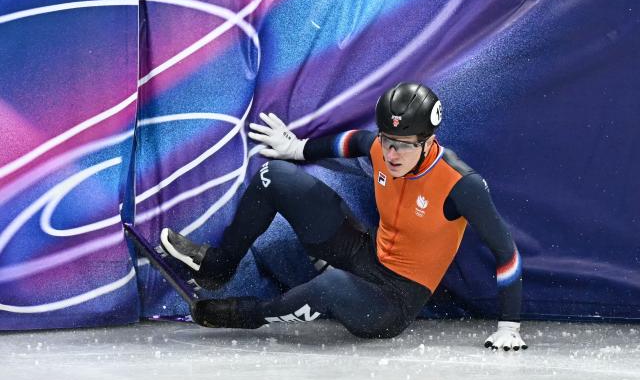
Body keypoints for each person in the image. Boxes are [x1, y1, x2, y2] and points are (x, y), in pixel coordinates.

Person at [159, 82, 527, 350]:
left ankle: (247, 314)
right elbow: (354, 141)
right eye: (388, 141)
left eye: (403, 146)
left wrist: (509, 326)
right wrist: (296, 148)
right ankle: (218, 268)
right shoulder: (381, 147)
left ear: (429, 141)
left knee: (329, 285)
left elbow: (506, 251)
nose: (392, 154)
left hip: (393, 299)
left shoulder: (461, 184)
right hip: (366, 253)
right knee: (276, 176)